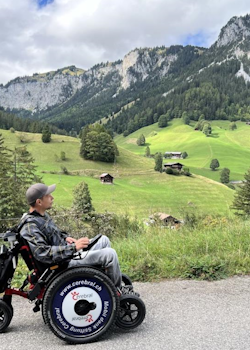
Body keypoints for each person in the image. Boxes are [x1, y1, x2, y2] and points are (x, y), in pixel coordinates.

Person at [19, 183, 122, 288]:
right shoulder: (29, 226)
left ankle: (105, 283)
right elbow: (43, 253)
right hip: (61, 265)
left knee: (104, 240)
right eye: (48, 196)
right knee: (110, 254)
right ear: (39, 202)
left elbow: (53, 234)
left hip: (67, 255)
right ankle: (115, 293)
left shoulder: (41, 216)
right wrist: (73, 248)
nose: (52, 197)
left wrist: (65, 238)